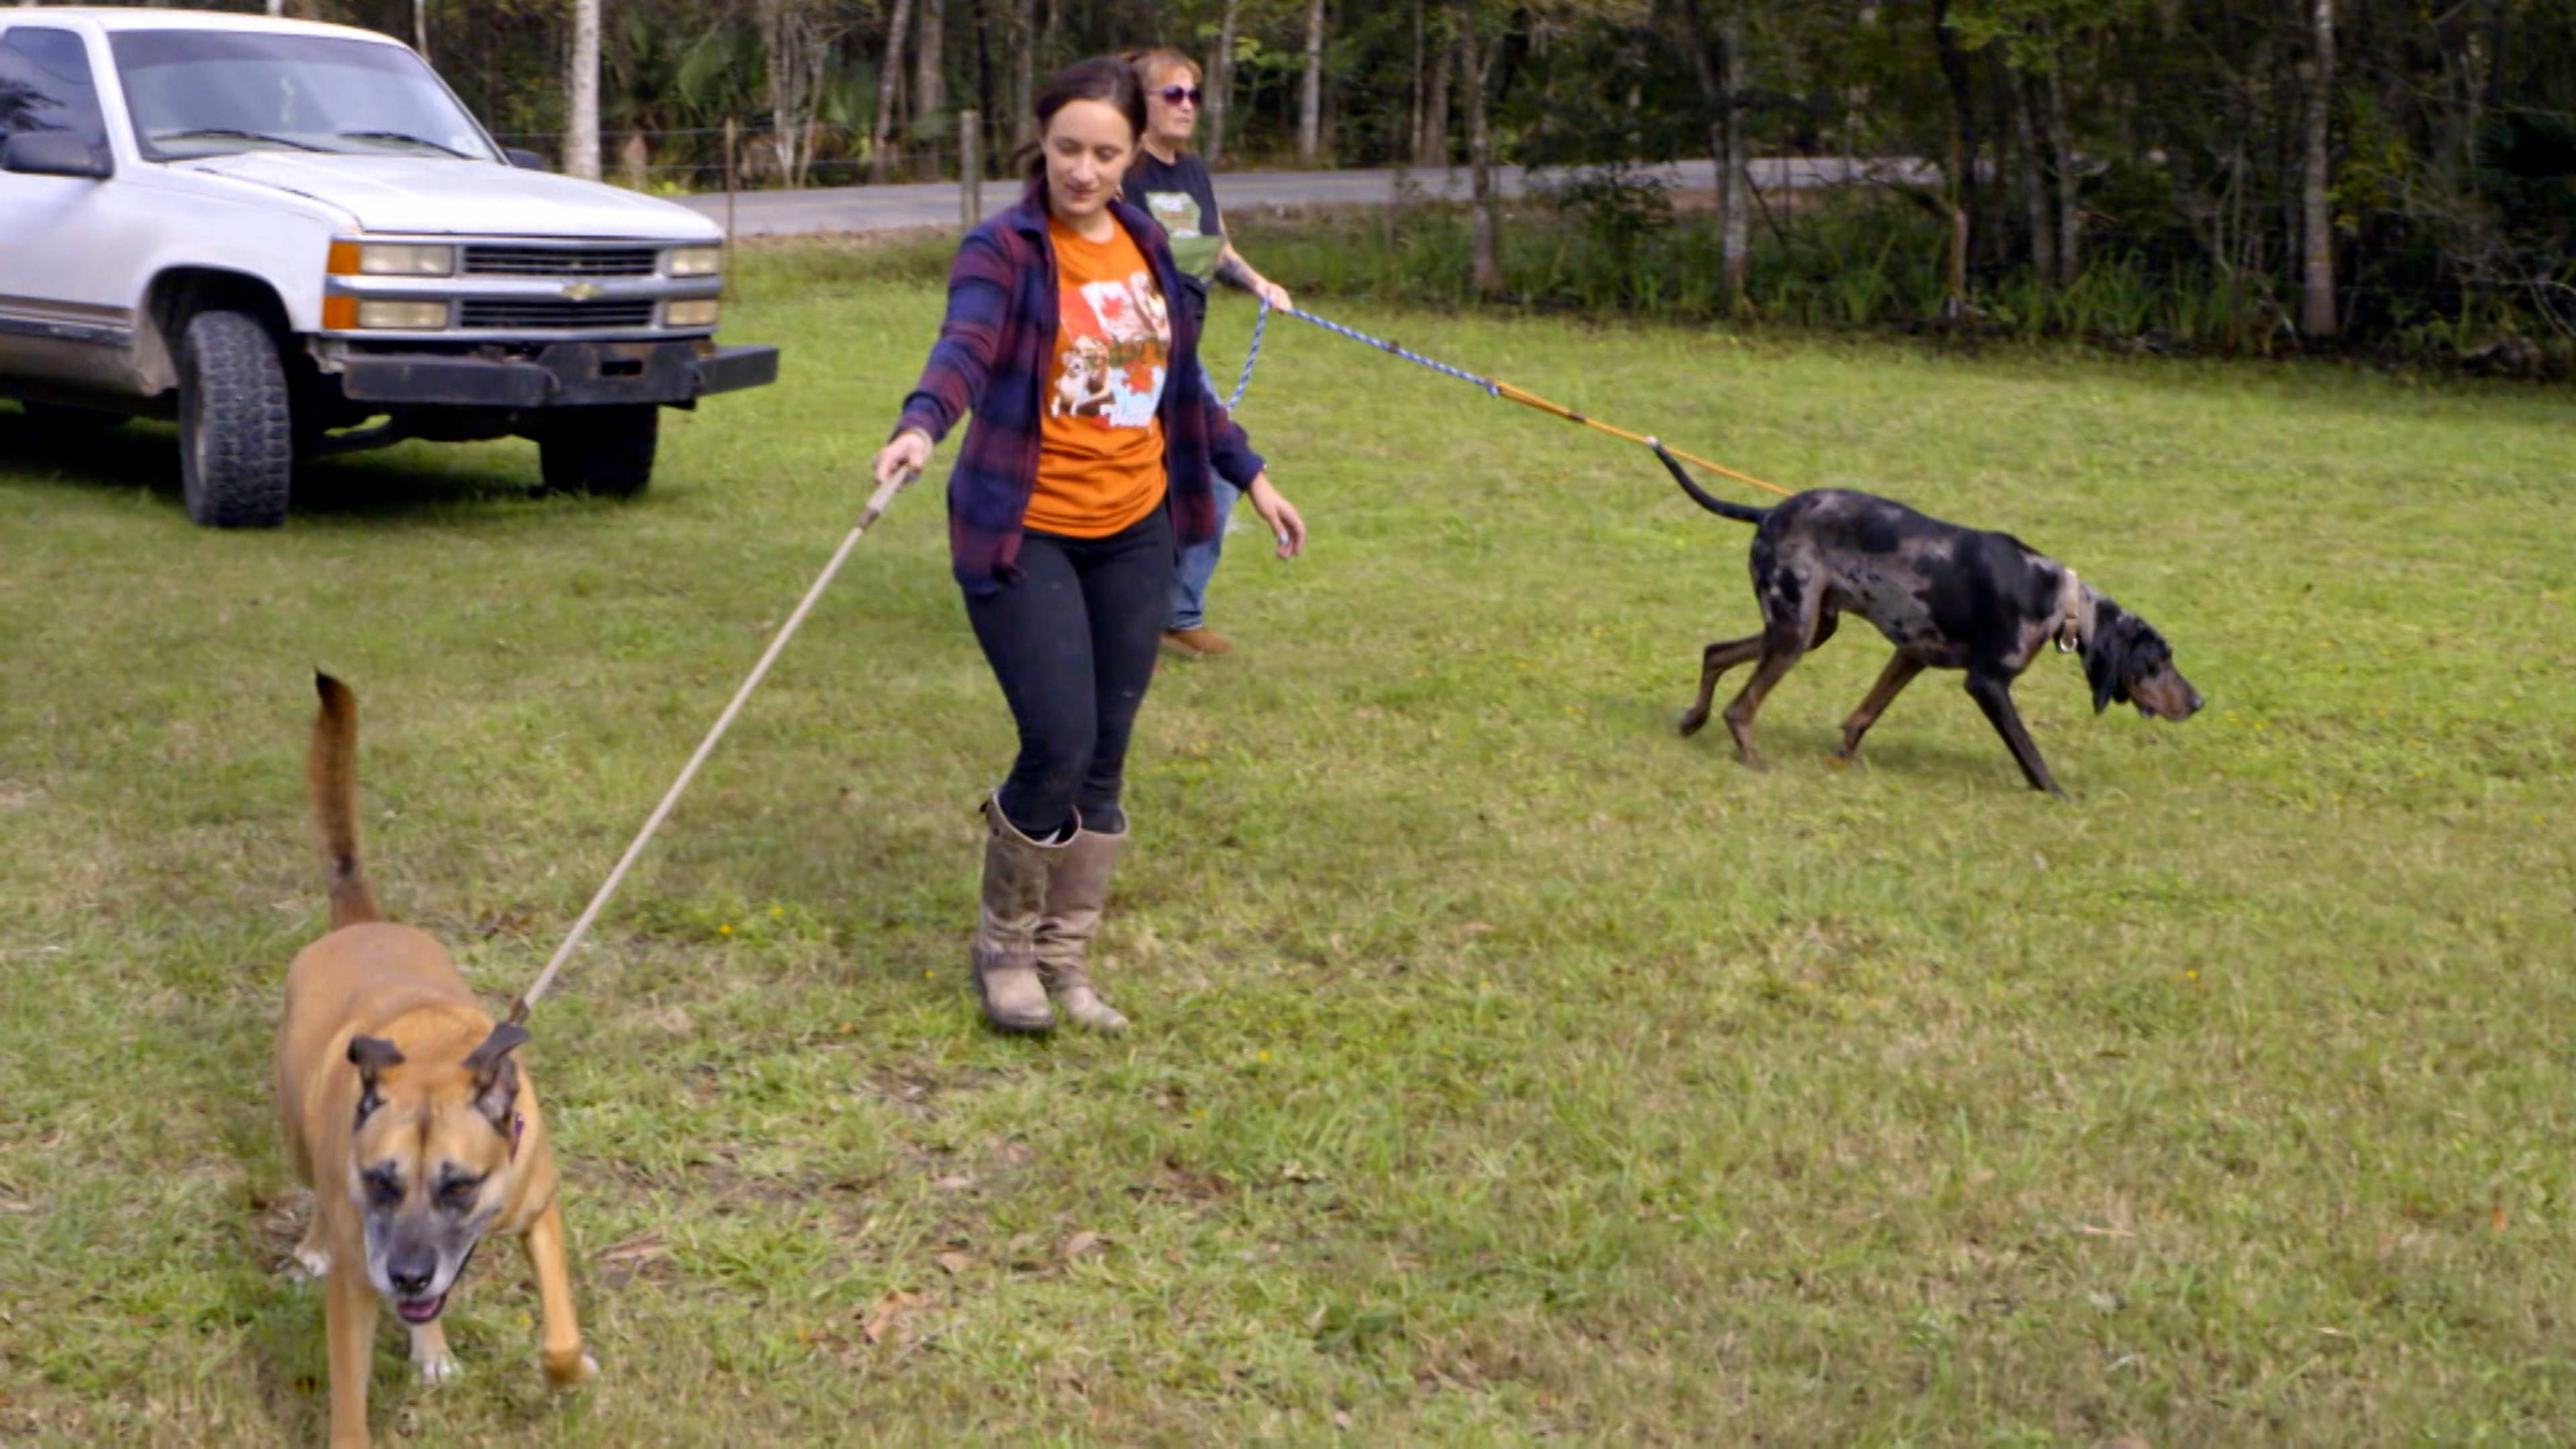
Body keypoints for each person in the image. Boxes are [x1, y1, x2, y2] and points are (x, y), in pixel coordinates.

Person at [871, 57, 1307, 1035]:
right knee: (1058, 741)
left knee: (1106, 759)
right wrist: (919, 426)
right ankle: (1004, 950)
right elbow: (965, 349)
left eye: (1104, 152)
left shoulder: (1151, 241)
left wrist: (1255, 475)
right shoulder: (1006, 249)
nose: (1083, 170)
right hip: (1026, 530)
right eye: (1067, 148)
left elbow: (1179, 385)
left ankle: (1067, 963)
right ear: (1041, 143)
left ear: (1131, 154)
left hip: (1136, 531)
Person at [1118, 46, 1295, 659]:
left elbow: (1215, 247)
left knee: (1187, 475)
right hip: (1142, 347)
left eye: (1193, 94)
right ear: (1140, 103)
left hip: (1184, 343)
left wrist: (1259, 284)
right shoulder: (1124, 174)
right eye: (1173, 94)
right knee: (1216, 473)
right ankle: (1167, 611)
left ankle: (1163, 609)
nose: (1187, 105)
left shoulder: (1190, 170)